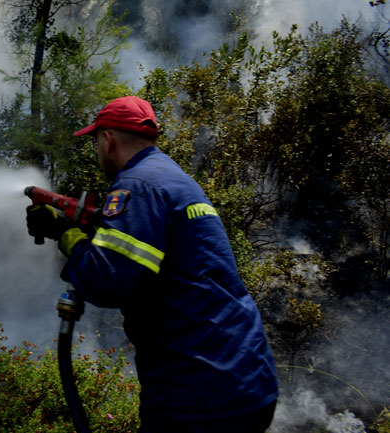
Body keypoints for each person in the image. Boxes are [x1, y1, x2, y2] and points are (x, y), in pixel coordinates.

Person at [26, 96, 278, 432]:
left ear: (108, 139)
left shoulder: (136, 186)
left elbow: (108, 280)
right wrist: (88, 222)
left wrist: (64, 234)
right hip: (245, 378)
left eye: (95, 141)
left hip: (197, 394)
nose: (97, 150)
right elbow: (146, 244)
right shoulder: (171, 178)